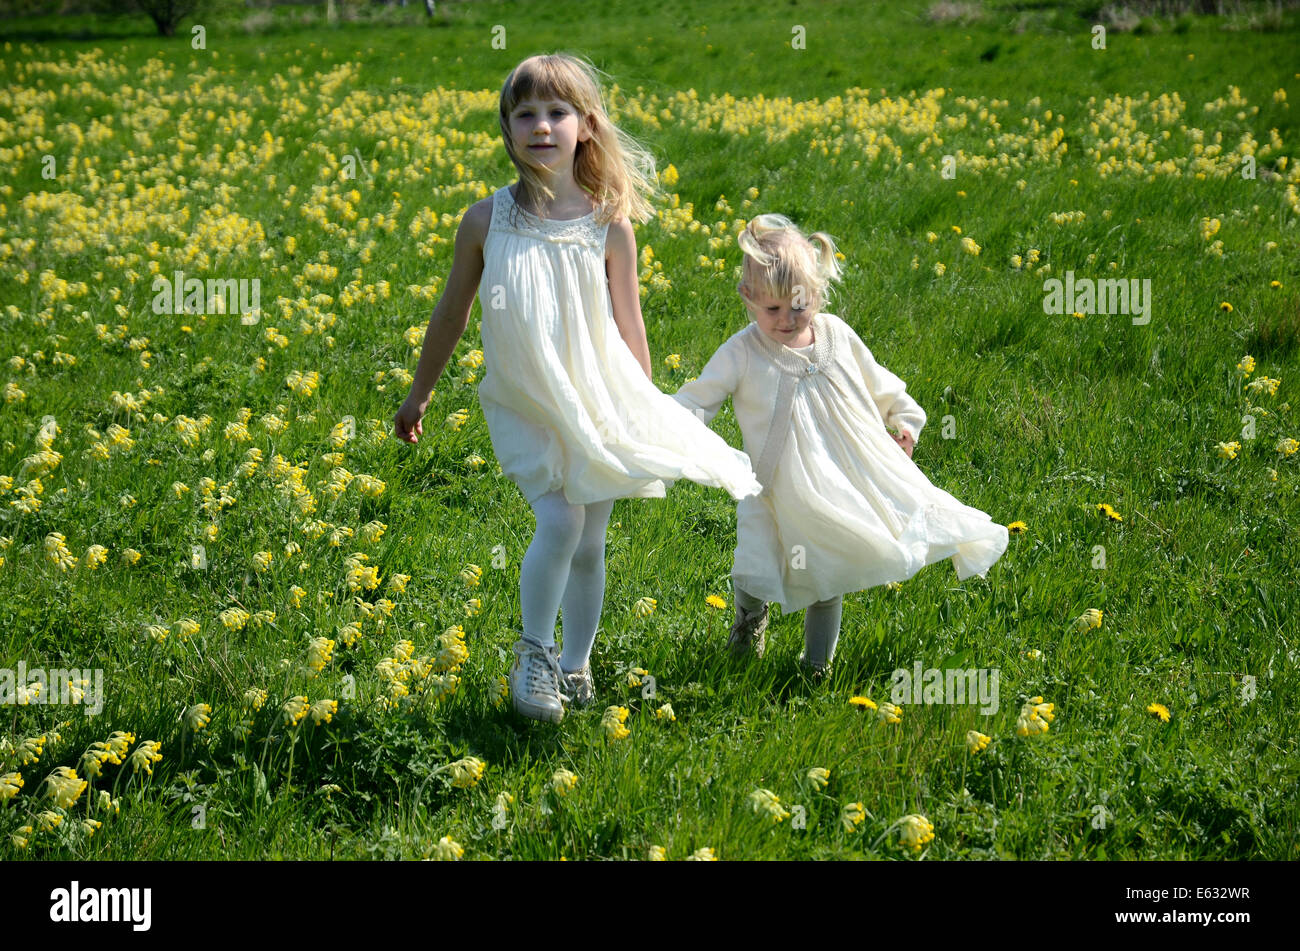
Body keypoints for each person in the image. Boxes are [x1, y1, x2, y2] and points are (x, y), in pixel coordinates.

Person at [392, 53, 761, 723]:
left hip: (599, 400)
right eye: (525, 113)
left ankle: (576, 662)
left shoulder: (608, 223)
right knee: (559, 520)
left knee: (590, 542)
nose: (541, 125)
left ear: (586, 126)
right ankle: (533, 654)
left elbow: (630, 324)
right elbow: (451, 312)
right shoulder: (485, 221)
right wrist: (420, 393)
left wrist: (642, 410)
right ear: (506, 130)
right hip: (527, 399)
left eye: (557, 112)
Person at [671, 213, 1008, 677]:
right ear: (748, 299)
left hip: (834, 484)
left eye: (799, 306)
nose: (787, 320)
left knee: (827, 578)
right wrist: (668, 429)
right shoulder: (742, 352)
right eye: (773, 310)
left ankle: (816, 666)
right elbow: (698, 398)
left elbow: (882, 386)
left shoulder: (836, 335)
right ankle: (748, 626)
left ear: (818, 292)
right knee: (754, 564)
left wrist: (905, 422)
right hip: (767, 489)